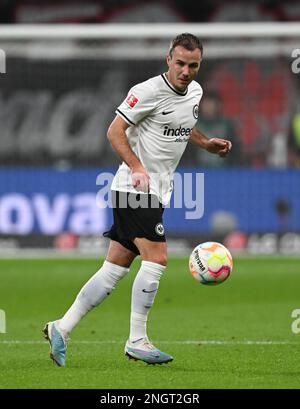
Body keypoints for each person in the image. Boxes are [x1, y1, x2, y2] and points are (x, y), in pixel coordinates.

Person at [43, 33, 232, 366]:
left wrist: (206, 144)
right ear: (168, 60)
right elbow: (114, 131)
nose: (186, 71)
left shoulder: (196, 92)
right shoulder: (147, 92)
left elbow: (185, 126)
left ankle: (63, 326)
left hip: (157, 191)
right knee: (157, 258)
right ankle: (137, 340)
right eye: (180, 64)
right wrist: (136, 167)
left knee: (114, 268)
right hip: (134, 189)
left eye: (193, 65)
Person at [193, 91, 240, 167]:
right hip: (198, 168)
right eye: (205, 103)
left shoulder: (226, 124)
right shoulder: (194, 123)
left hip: (223, 169)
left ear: (217, 105)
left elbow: (235, 147)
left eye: (211, 103)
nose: (208, 107)